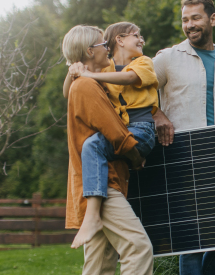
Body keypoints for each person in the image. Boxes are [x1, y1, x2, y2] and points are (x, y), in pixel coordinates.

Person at [153, 0, 215, 275]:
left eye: (195, 18)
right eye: (185, 19)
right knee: (191, 239)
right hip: (182, 156)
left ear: (212, 19)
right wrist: (157, 114)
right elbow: (136, 91)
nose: (189, 25)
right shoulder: (167, 58)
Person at [62, 25, 153, 274]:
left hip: (95, 183)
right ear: (90, 52)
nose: (108, 49)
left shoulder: (91, 83)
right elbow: (116, 134)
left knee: (99, 263)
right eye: (103, 45)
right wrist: (135, 156)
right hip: (103, 184)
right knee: (138, 248)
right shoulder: (87, 87)